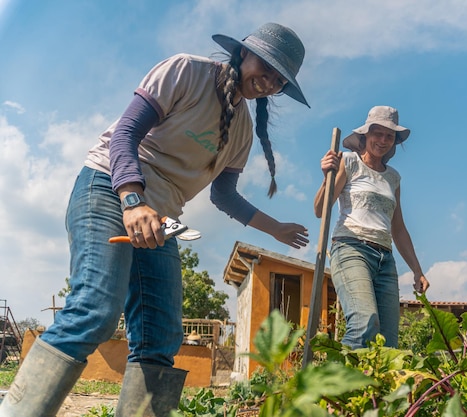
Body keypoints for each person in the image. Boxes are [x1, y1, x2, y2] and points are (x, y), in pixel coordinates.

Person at [0, 22, 309, 417]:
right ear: (243, 53)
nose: (267, 82)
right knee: (95, 309)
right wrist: (132, 200)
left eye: (278, 80)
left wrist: (276, 229)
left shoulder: (242, 130)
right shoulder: (187, 71)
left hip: (160, 221)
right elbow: (125, 134)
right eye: (265, 68)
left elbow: (224, 194)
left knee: (161, 337)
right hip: (109, 190)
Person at [314, 105, 429, 349]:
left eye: (390, 136)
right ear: (366, 134)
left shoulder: (393, 178)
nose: (383, 140)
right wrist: (327, 177)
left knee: (388, 342)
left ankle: (376, 388)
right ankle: (337, 384)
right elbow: (319, 210)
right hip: (351, 248)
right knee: (365, 323)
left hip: (385, 259)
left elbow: (398, 229)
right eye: (378, 133)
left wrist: (417, 270)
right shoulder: (349, 162)